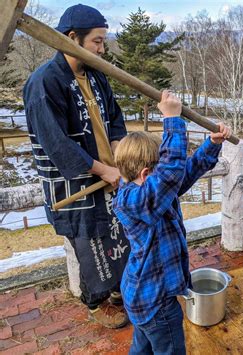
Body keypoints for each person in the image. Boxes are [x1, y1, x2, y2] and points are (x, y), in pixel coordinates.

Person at [23, 4, 130, 328]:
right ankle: (96, 302)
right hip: (76, 184)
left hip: (109, 177)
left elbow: (114, 119)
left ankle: (118, 292)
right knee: (90, 243)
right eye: (97, 42)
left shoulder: (96, 76)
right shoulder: (45, 82)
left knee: (118, 236)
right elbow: (56, 143)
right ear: (73, 38)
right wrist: (103, 169)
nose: (102, 49)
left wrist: (117, 152)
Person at [113, 91, 231, 354]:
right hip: (156, 303)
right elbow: (170, 174)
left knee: (141, 348)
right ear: (146, 174)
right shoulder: (135, 200)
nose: (167, 178)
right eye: (159, 171)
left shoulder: (151, 191)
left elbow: (182, 173)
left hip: (144, 297)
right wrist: (172, 120)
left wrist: (212, 144)